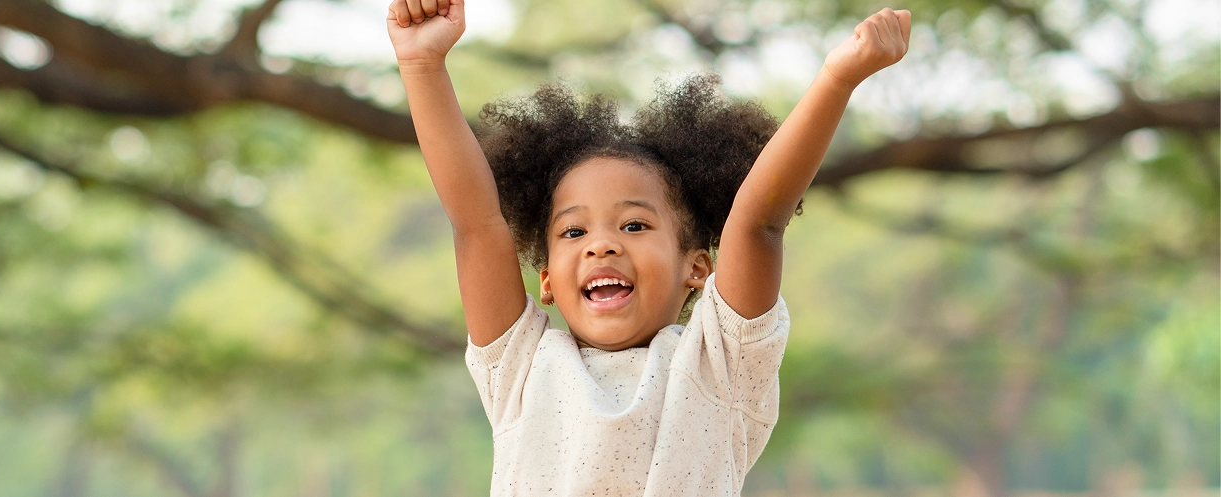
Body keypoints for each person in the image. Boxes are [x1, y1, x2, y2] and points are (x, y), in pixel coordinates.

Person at [385, 0, 911, 494]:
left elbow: (757, 222)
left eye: (634, 225)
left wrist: (838, 77)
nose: (601, 246)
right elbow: (477, 223)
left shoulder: (719, 365)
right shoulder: (521, 368)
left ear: (698, 266)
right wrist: (422, 65)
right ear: (544, 279)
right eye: (574, 232)